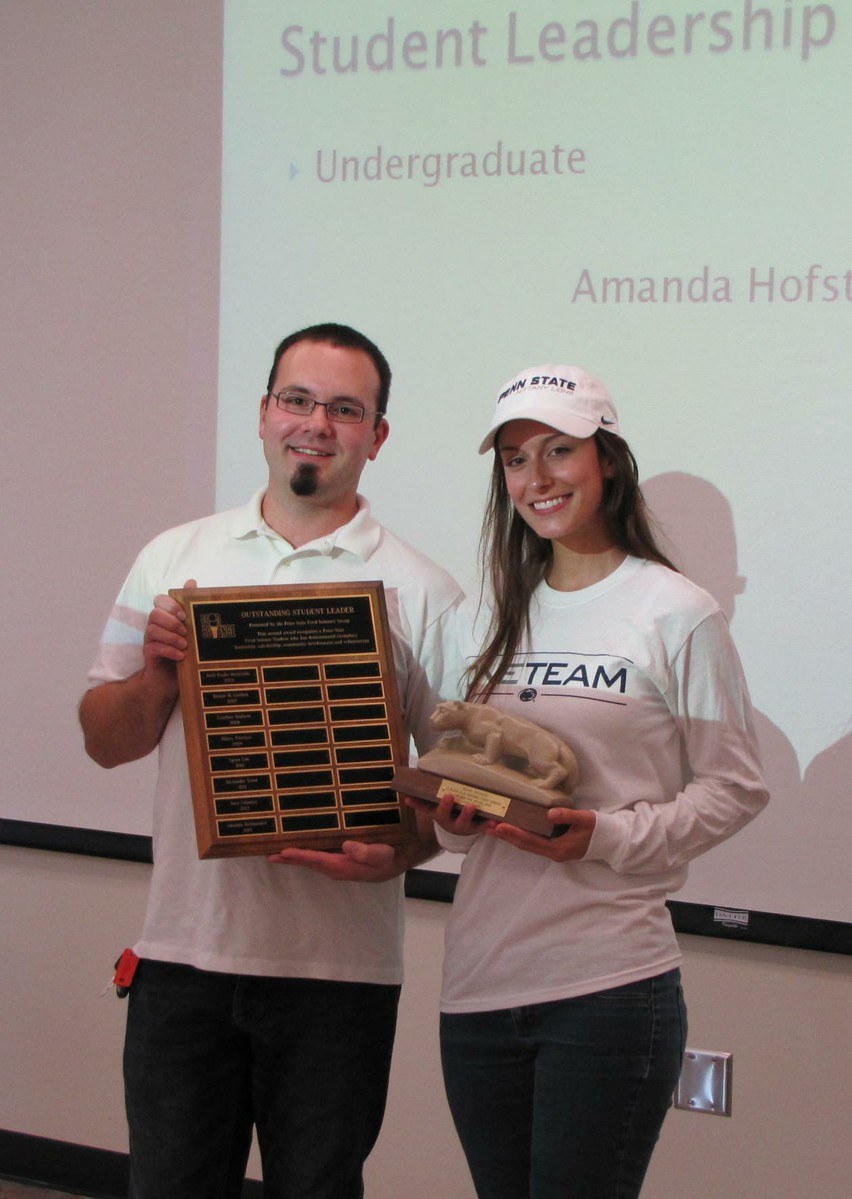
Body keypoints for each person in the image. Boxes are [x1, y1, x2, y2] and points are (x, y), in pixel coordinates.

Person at [79, 323, 462, 1199]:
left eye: (345, 408)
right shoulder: (170, 560)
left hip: (339, 978)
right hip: (183, 958)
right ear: (262, 413)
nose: (316, 423)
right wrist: (156, 676)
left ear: (378, 434)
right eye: (297, 399)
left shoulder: (428, 592)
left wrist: (402, 849)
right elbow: (105, 741)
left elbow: (450, 792)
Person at [410, 364, 769, 1199]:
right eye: (513, 459)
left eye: (558, 450)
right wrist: (455, 815)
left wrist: (605, 835)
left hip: (607, 988)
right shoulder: (481, 617)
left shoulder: (677, 611)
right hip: (476, 986)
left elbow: (735, 786)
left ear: (607, 459)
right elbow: (461, 807)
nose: (535, 478)